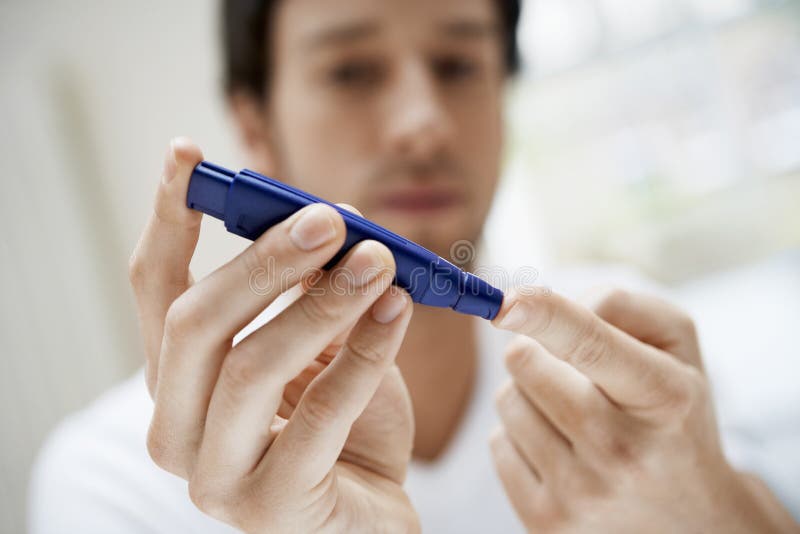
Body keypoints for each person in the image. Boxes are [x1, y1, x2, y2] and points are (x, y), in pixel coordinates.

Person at [29, 0, 800, 532]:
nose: (422, 122)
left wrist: (717, 516)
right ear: (252, 125)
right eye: (351, 72)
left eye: (459, 64)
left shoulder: (635, 364)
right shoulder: (110, 481)